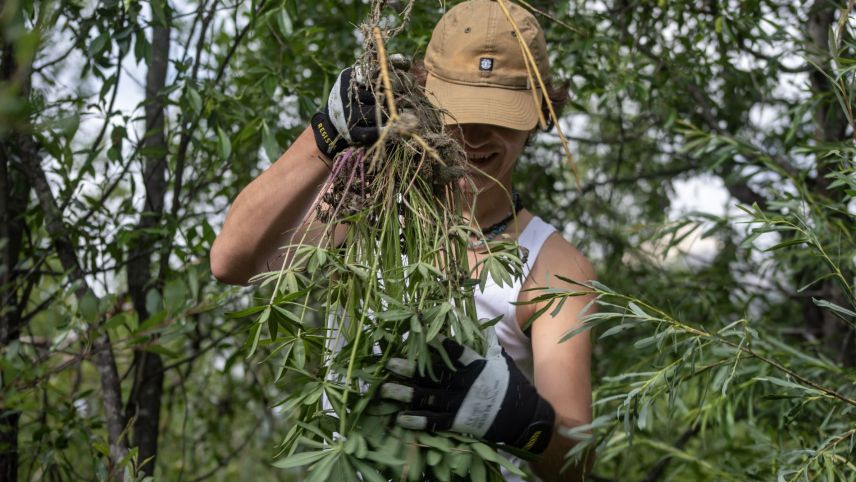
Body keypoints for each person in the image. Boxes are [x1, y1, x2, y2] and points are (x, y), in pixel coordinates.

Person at [210, 1, 594, 480]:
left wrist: (519, 417)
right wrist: (323, 138)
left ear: (538, 113)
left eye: (500, 114)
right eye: (460, 108)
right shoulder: (369, 205)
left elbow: (575, 465)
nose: (474, 135)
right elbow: (231, 261)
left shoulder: (554, 266)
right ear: (425, 96)